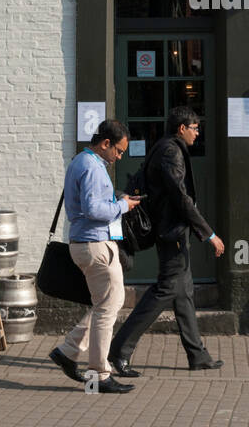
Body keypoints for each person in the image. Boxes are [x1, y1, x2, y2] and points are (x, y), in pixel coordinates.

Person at [108, 106, 225, 375]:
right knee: (166, 290)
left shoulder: (167, 148)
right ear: (181, 128)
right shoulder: (171, 152)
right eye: (194, 128)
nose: (198, 133)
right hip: (171, 232)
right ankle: (119, 350)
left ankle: (197, 355)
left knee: (184, 293)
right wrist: (209, 234)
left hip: (173, 231)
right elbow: (180, 197)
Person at [48, 119, 141, 393]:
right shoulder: (91, 166)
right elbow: (92, 209)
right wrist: (122, 205)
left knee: (108, 302)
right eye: (119, 151)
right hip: (95, 244)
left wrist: (117, 202)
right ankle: (98, 376)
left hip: (87, 243)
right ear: (105, 144)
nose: (119, 157)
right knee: (106, 310)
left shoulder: (82, 161)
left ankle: (68, 351)